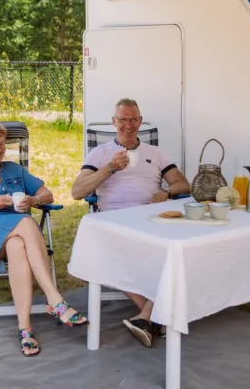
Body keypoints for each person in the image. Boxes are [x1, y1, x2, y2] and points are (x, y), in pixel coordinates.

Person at [0, 121, 87, 357]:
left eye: (2, 144)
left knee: (18, 245)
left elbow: (46, 193)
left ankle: (25, 329)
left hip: (16, 234)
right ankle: (55, 299)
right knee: (26, 222)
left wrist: (33, 201)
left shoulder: (14, 170)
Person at [71, 98, 191, 348]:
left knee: (178, 253)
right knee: (113, 255)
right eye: (123, 119)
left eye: (133, 119)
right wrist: (109, 169)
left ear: (140, 121)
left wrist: (167, 193)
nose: (128, 125)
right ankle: (155, 316)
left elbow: (183, 184)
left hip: (151, 217)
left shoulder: (156, 153)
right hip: (114, 219)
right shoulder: (100, 153)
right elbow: (77, 191)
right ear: (114, 122)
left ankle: (146, 318)